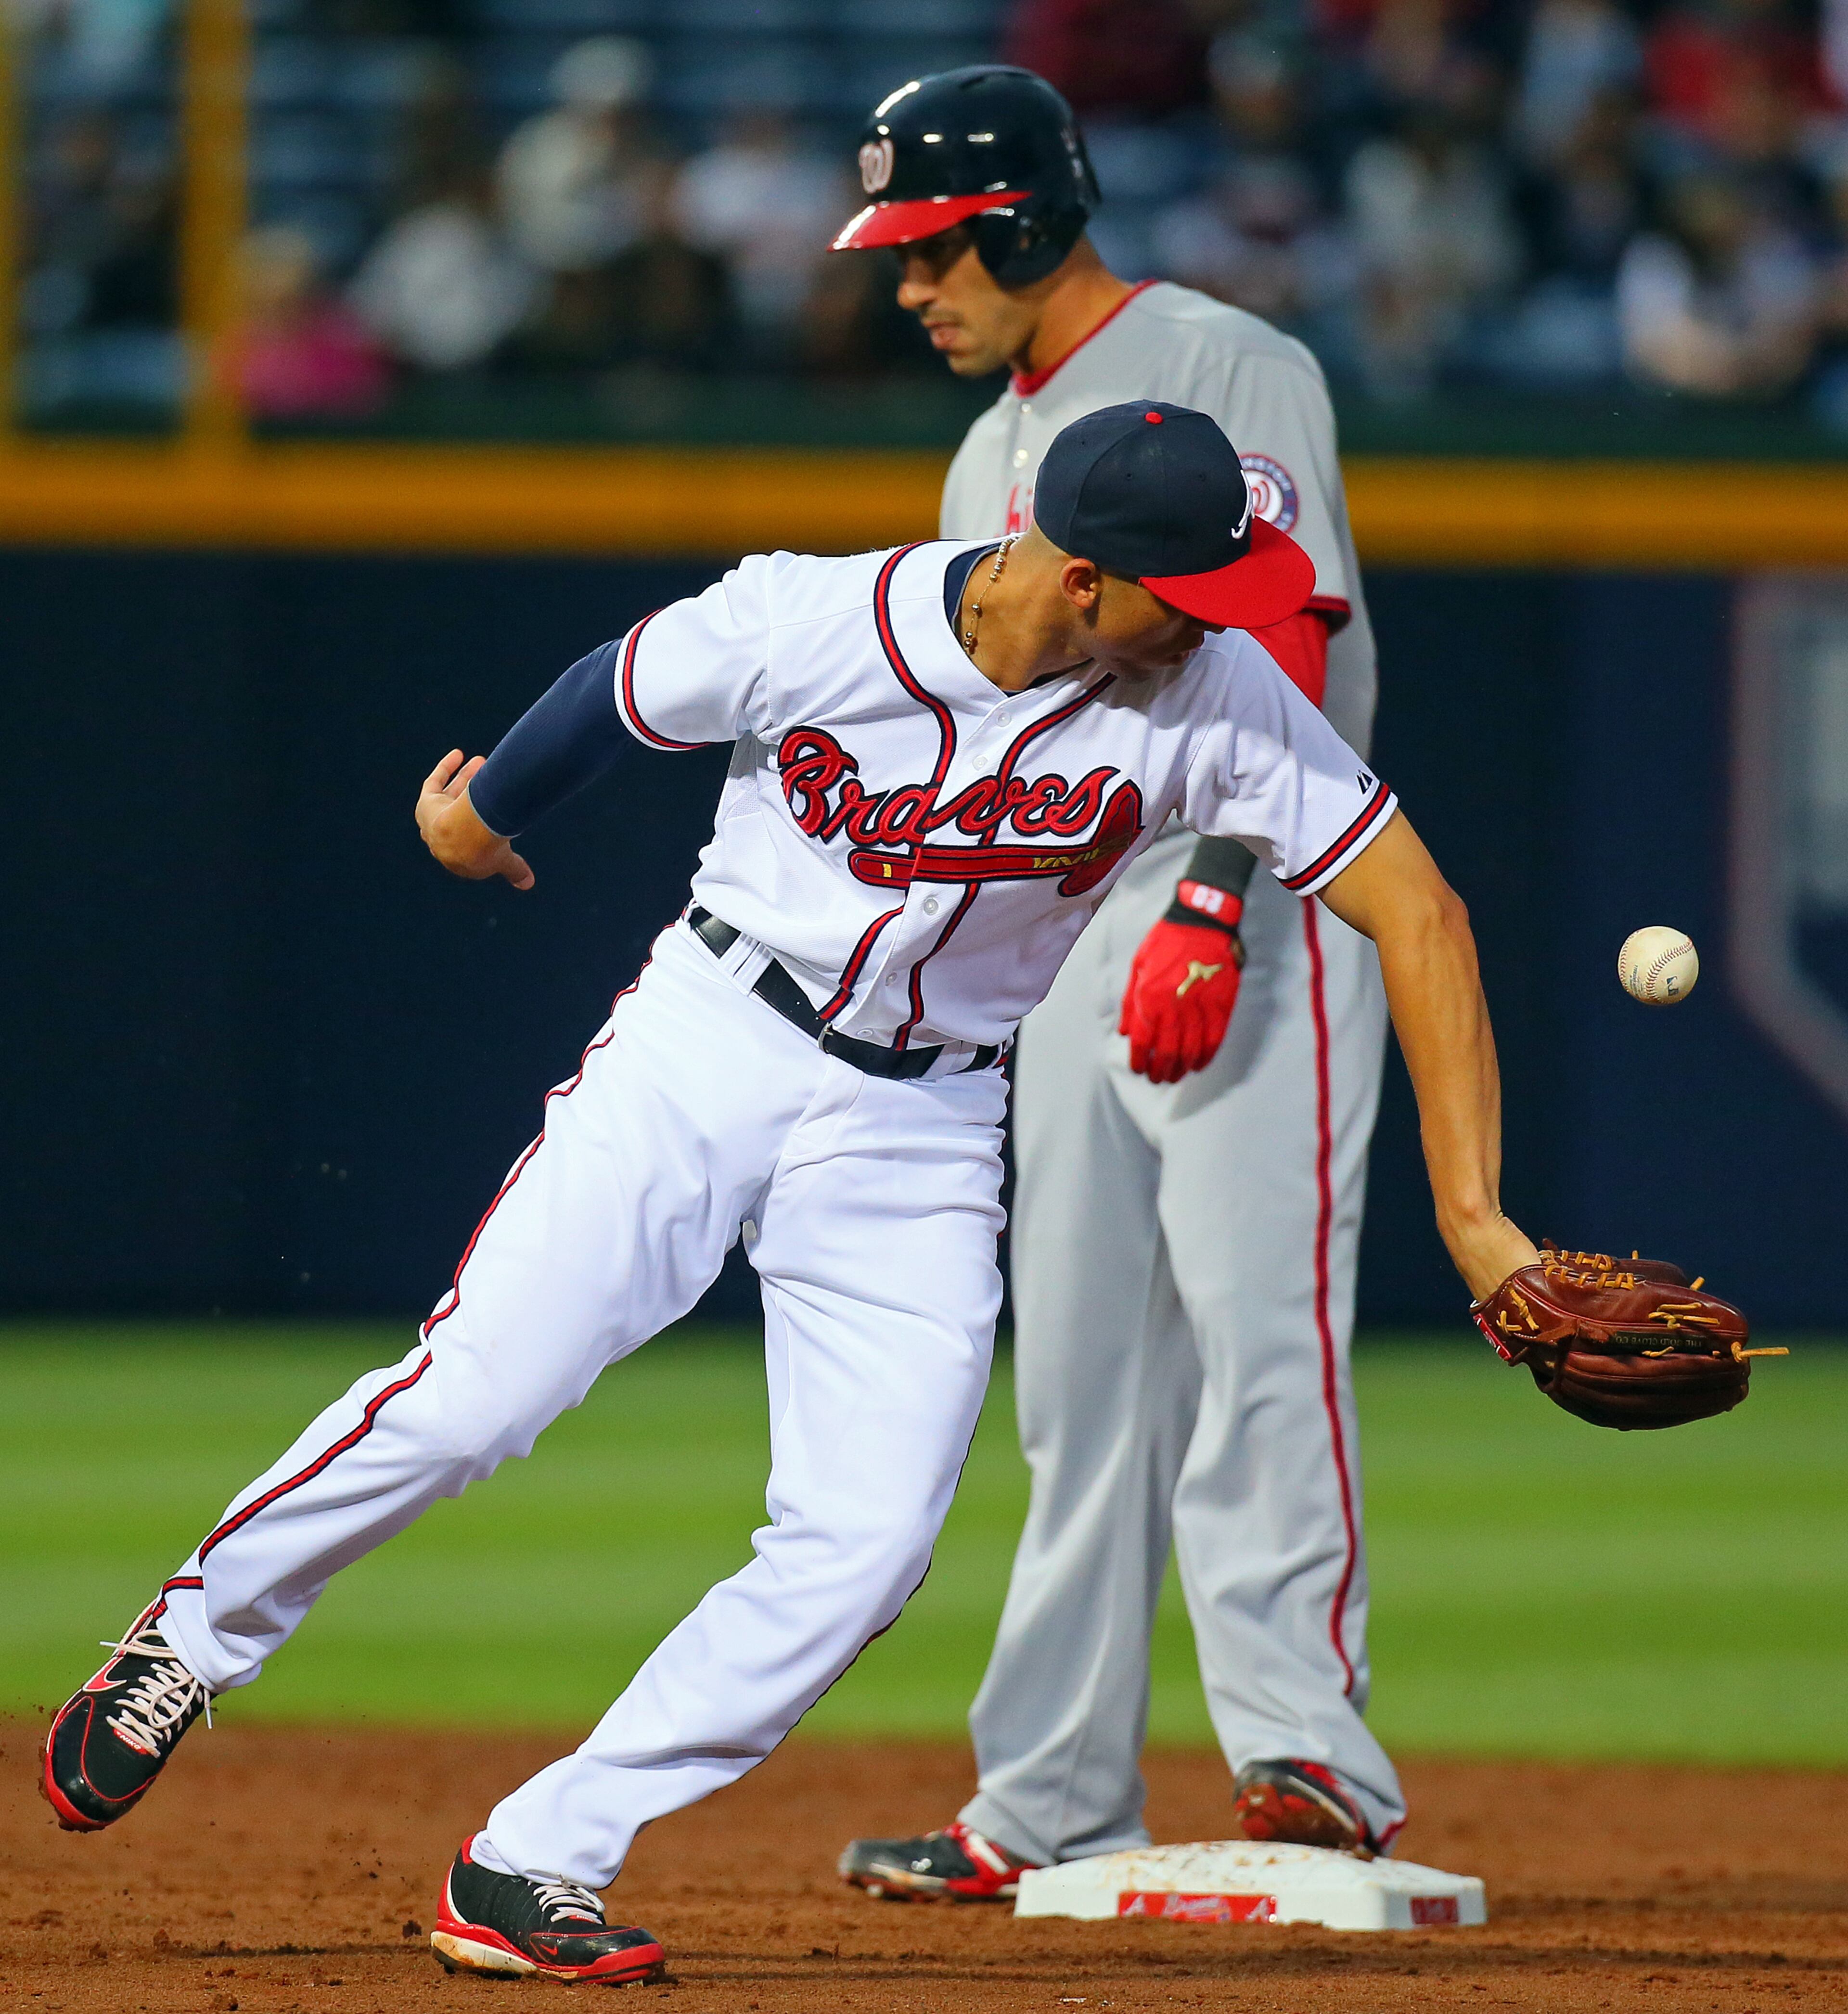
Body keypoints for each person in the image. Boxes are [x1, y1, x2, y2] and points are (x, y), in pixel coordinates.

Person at [42, 401, 1539, 1986]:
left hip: (930, 1127)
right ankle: (189, 1643)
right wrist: (478, 821)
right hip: (711, 1046)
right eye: (1200, 590)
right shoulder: (818, 619)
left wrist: (1476, 1216)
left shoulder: (1215, 690)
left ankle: (540, 1851)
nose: (1231, 626)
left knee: (870, 1542)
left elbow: (1420, 911)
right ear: (1086, 578)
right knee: (474, 1397)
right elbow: (616, 693)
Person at [830, 64, 1407, 1898]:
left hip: (1269, 893)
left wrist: (1223, 897)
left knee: (1260, 1336)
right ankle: (1048, 1791)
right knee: (1076, 1381)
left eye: (930, 251)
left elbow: (1294, 634)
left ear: (1019, 221)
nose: (908, 289)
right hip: (1073, 935)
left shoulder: (1227, 362)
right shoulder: (979, 452)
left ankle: (1308, 1748)